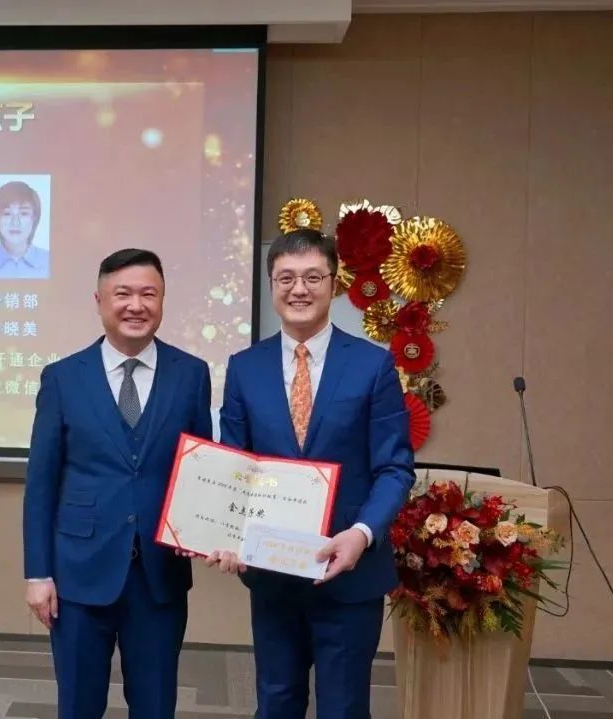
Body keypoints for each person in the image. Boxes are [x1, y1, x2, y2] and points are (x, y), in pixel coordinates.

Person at [207, 228, 415, 719]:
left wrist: (361, 535)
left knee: (344, 707)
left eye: (312, 277)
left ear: (333, 284)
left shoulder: (373, 365)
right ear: (271, 286)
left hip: (350, 572)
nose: (298, 289)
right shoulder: (245, 367)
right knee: (276, 700)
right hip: (272, 574)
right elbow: (233, 464)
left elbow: (394, 467)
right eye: (286, 278)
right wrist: (224, 532)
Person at [22, 248, 212, 719]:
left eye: (149, 294)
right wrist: (38, 573)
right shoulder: (63, 378)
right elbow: (42, 483)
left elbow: (202, 469)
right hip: (78, 573)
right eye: (123, 294)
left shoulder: (191, 374)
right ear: (99, 301)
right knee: (79, 705)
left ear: (163, 300)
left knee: (155, 705)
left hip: (159, 576)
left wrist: (209, 530)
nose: (136, 305)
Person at [0, 180, 50, 279]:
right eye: (7, 214)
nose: (15, 222)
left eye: (24, 213)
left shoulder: (50, 261)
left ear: (34, 218)